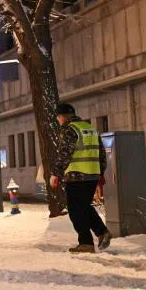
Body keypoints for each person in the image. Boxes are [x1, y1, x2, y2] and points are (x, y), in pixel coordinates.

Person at [50, 103, 111, 253]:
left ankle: (86, 243)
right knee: (83, 206)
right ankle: (102, 232)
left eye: (58, 118)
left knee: (75, 210)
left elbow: (65, 154)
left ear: (62, 117)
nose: (58, 121)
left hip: (77, 176)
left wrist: (56, 173)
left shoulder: (69, 130)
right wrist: (100, 174)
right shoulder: (90, 128)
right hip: (92, 175)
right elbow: (102, 154)